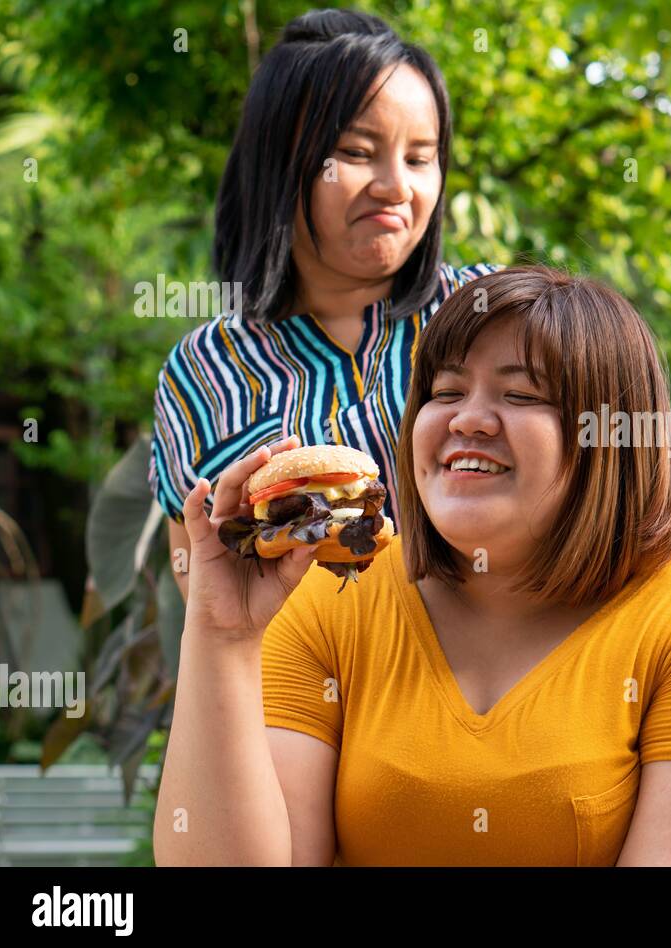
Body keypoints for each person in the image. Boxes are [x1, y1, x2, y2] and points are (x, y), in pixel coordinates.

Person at [153, 266, 671, 866]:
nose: (468, 419)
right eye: (444, 391)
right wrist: (223, 639)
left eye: (521, 396)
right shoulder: (334, 600)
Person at [148, 9, 499, 602]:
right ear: (280, 162)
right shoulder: (201, 372)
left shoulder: (491, 314)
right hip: (304, 692)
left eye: (420, 158)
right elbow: (207, 612)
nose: (397, 186)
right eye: (359, 152)